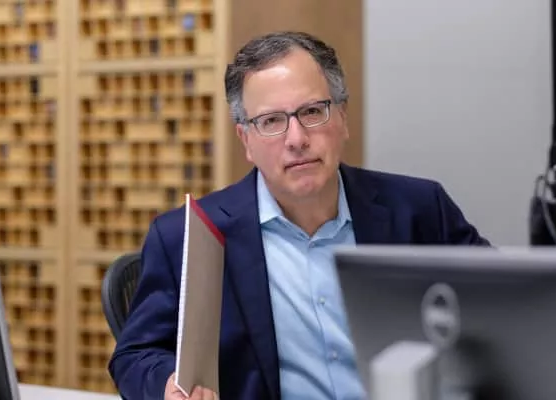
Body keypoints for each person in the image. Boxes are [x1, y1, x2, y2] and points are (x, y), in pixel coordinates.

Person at [108, 31, 490, 400]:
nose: (296, 139)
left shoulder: (419, 208)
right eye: (271, 121)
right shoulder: (188, 236)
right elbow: (135, 355)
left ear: (342, 117)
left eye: (311, 111)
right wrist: (167, 385)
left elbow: (500, 313)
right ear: (246, 140)